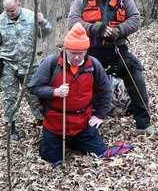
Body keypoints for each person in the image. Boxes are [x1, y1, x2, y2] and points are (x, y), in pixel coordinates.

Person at [67, 0, 158, 136]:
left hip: (116, 50)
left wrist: (119, 30)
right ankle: (81, 126)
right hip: (90, 52)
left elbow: (135, 19)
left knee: (135, 73)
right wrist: (94, 28)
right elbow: (72, 21)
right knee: (81, 84)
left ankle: (143, 124)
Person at [28, 23, 133, 166]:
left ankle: (75, 141)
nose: (77, 57)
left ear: (86, 50)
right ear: (65, 49)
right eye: (72, 52)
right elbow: (33, 87)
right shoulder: (51, 63)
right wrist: (55, 92)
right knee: (52, 159)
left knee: (100, 153)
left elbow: (105, 90)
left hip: (82, 123)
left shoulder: (93, 65)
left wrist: (100, 115)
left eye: (81, 52)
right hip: (55, 123)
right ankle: (56, 144)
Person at [0, 0, 52, 140]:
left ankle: (44, 122)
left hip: (30, 65)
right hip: (8, 65)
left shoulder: (30, 16)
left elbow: (45, 34)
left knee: (35, 95)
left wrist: (43, 22)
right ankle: (11, 127)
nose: (9, 13)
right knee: (10, 98)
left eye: (12, 11)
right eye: (6, 11)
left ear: (18, 5)